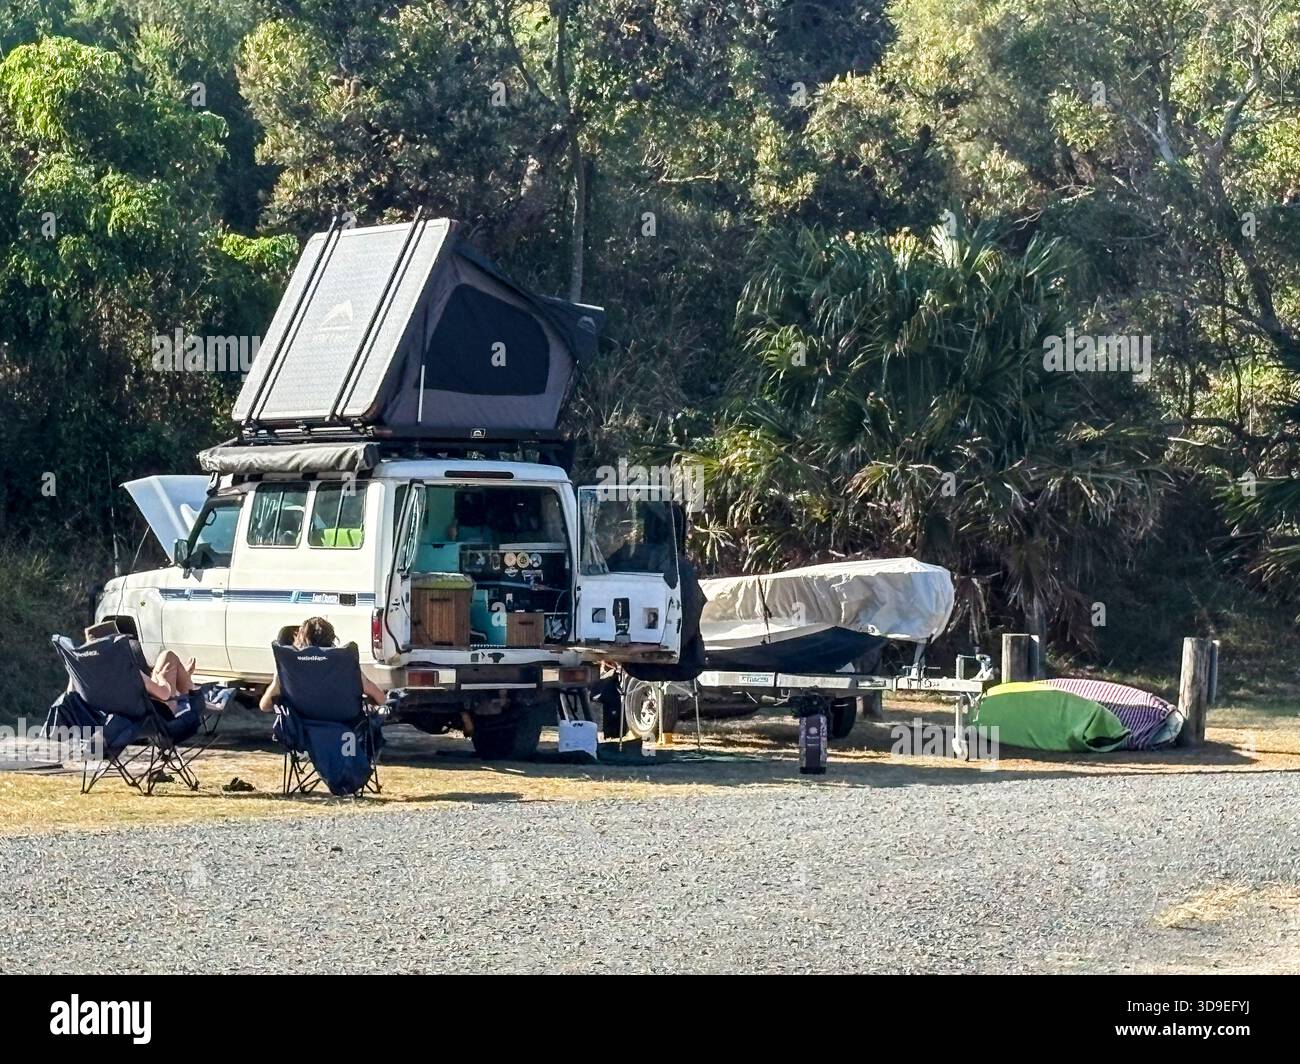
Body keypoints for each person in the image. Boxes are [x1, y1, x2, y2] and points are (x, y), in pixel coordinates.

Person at [258, 616, 387, 712]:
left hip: (302, 729)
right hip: (343, 723)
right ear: (332, 639)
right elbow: (381, 699)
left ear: (301, 638)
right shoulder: (344, 661)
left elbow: (264, 706)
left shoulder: (289, 664)